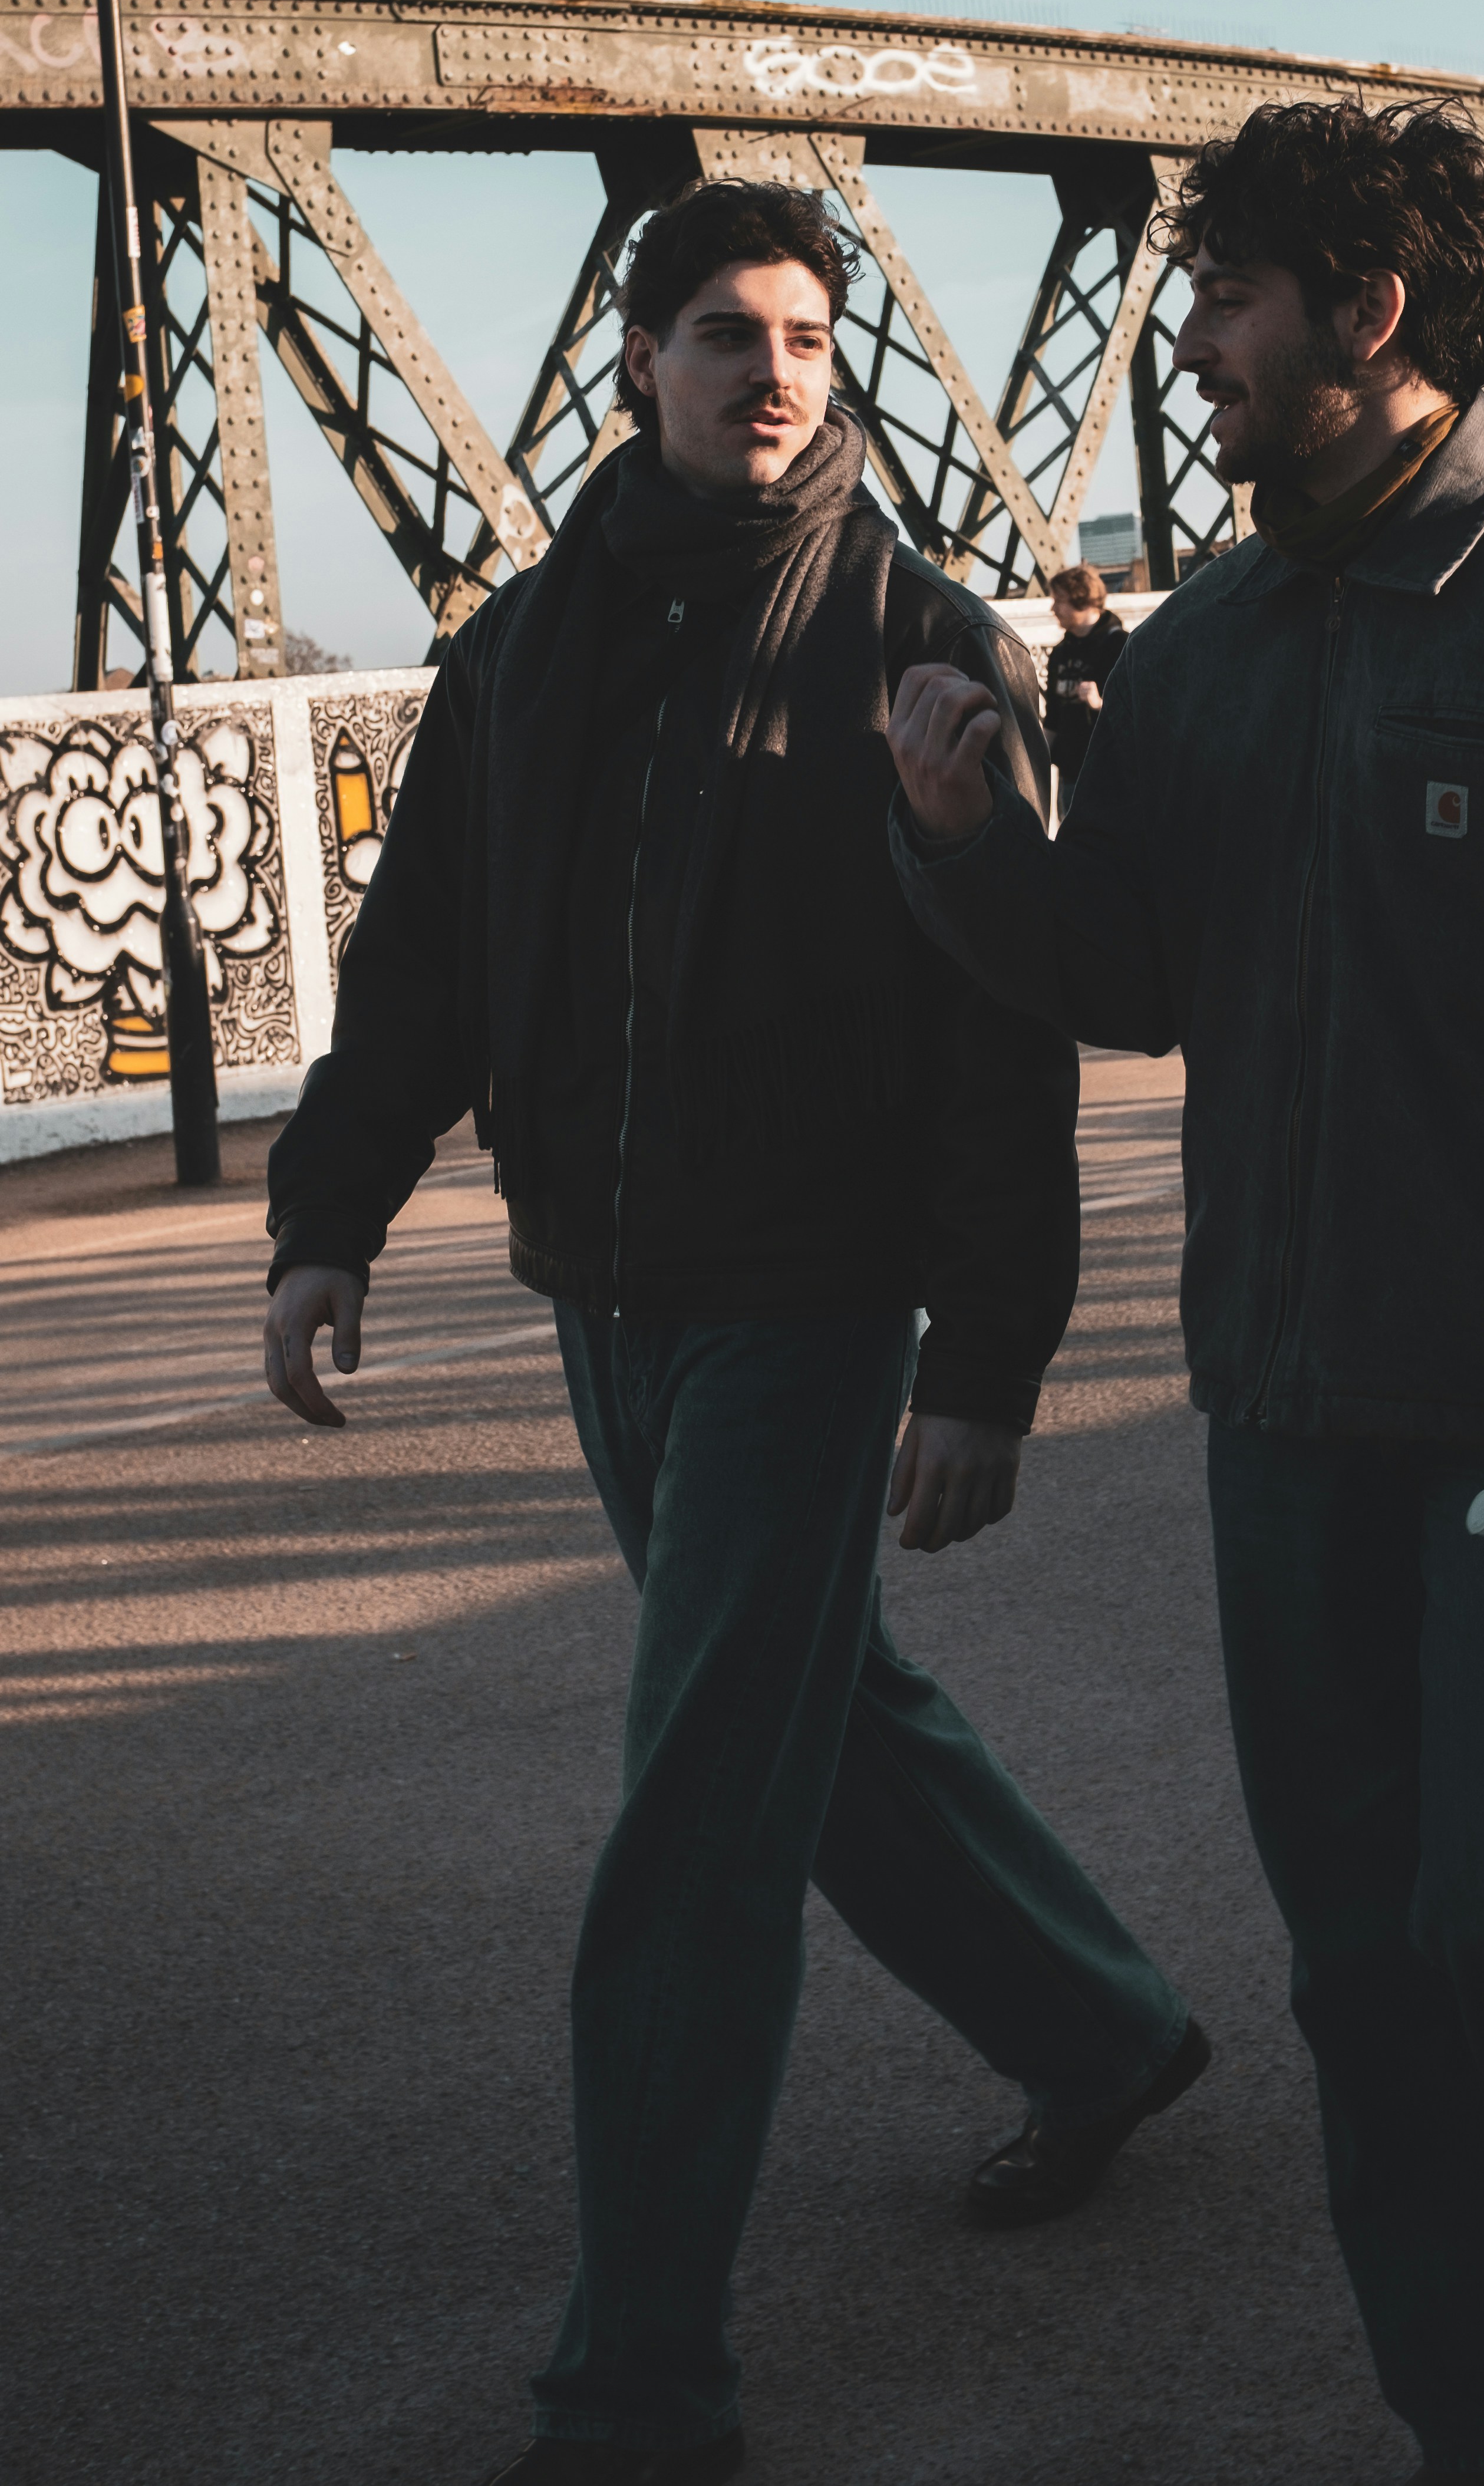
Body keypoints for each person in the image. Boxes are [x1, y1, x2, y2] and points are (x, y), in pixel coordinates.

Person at [886, 99, 1484, 2486]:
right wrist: (972, 832)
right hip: (1292, 1428)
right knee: (1375, 1978)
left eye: (1223, 302)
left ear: (1369, 314)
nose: (1184, 352)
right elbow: (1127, 970)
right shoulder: (1207, 644)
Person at [260, 179, 1206, 2486]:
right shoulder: (522, 649)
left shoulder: (914, 631)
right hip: (604, 1284)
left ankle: (635, 2391)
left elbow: (1003, 1032)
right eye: (721, 330)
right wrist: (329, 1216)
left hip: (810, 1299)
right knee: (826, 1716)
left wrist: (984, 1352)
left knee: (696, 1805)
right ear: (637, 366)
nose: (772, 368)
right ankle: (1097, 2028)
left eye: (805, 334)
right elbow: (423, 966)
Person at [1043, 561, 1128, 798]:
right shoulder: (1060, 653)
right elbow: (1053, 717)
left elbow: (1139, 712)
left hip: (1110, 773)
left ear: (1081, 600)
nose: (1053, 608)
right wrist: (1037, 762)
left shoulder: (1121, 646)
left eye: (1059, 600)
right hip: (1070, 773)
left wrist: (1099, 704)